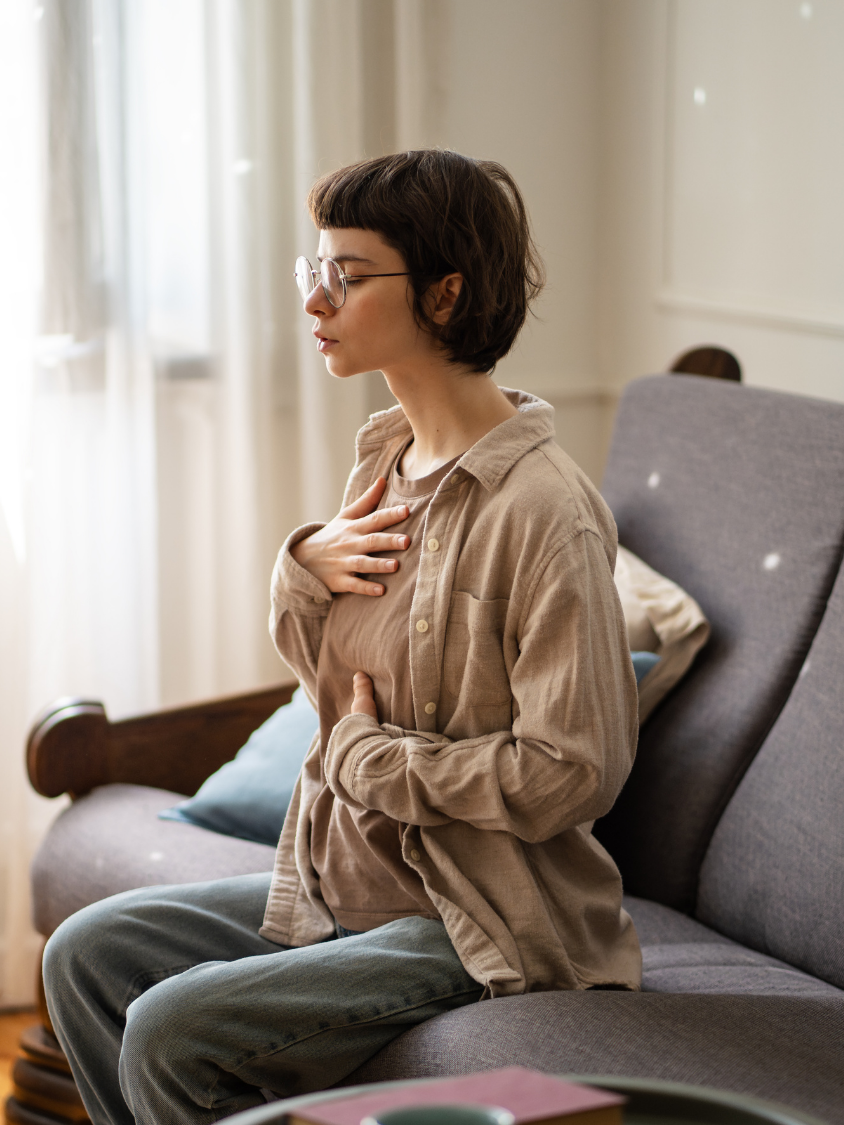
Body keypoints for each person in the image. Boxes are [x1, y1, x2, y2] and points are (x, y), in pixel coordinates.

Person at [42, 149, 640, 1125]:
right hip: (346, 879)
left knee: (167, 1032)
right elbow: (338, 680)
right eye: (310, 273)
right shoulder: (388, 459)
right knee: (86, 956)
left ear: (445, 296)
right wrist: (300, 572)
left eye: (347, 277)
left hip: (475, 918)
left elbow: (574, 772)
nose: (315, 302)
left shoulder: (546, 516)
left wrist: (376, 764)